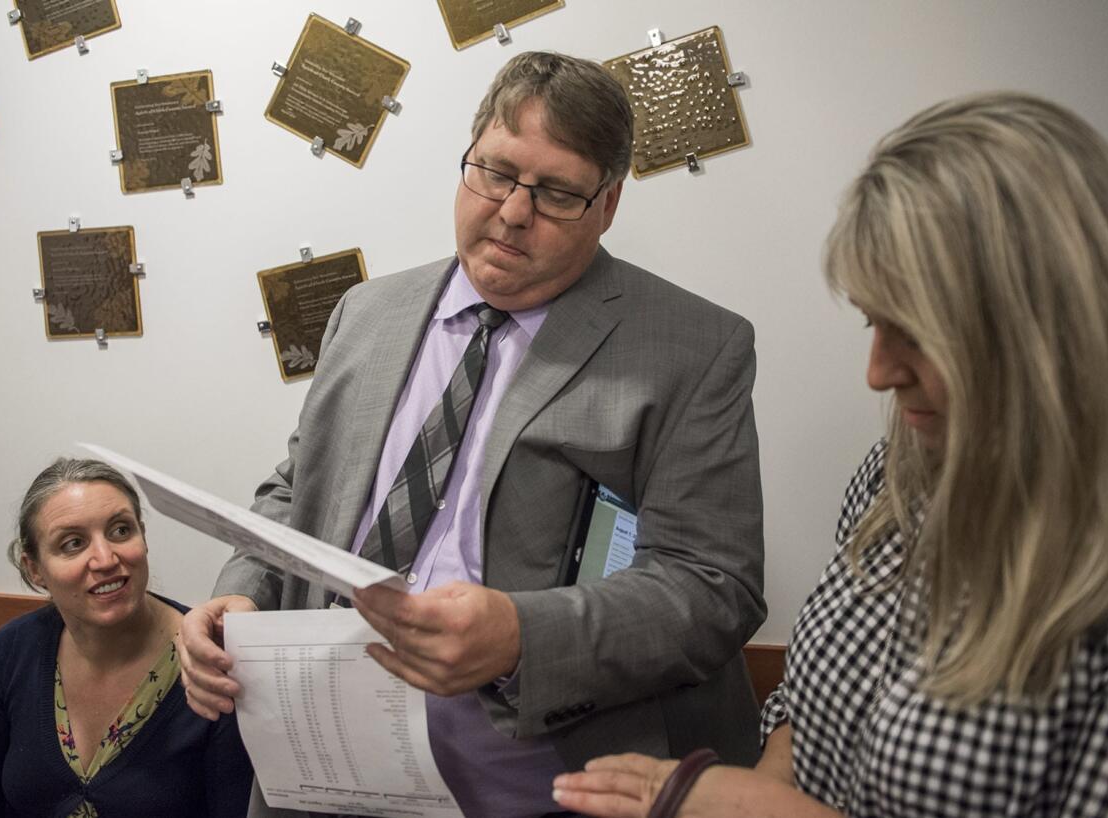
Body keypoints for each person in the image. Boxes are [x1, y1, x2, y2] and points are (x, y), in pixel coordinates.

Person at [551, 91, 1108, 817]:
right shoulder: (907, 466)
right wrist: (768, 780)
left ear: (1053, 327)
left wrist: (753, 810)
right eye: (872, 324)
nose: (879, 373)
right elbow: (816, 692)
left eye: (917, 331)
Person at [178, 51, 766, 818]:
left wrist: (525, 635)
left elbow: (714, 585)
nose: (514, 212)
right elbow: (297, 489)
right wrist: (241, 598)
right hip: (328, 757)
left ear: (609, 203)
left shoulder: (695, 347)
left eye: (557, 193)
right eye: (495, 172)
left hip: (540, 780)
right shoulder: (367, 313)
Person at [0, 458, 254, 817]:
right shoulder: (10, 652)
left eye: (120, 531)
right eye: (72, 543)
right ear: (35, 569)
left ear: (143, 537)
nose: (105, 558)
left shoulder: (211, 664)